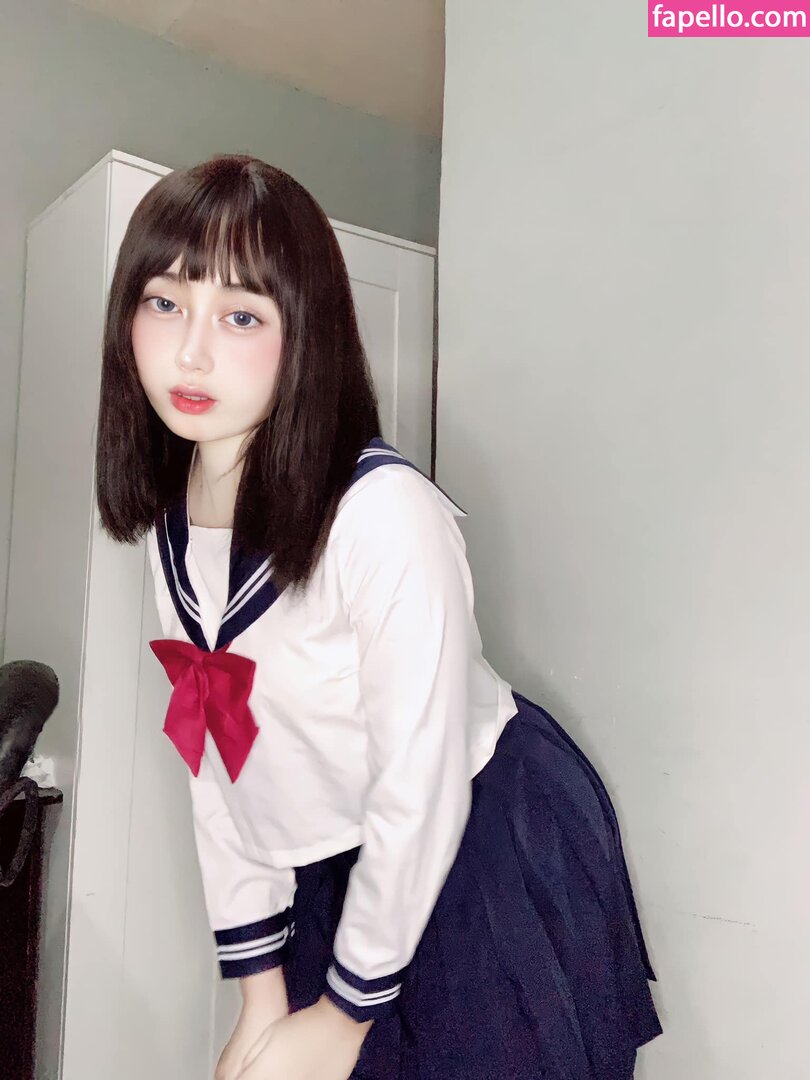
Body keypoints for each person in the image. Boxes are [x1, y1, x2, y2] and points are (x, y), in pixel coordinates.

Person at [94, 153, 662, 1080]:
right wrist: (261, 995)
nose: (191, 352)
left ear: (305, 333)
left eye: (241, 316)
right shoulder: (171, 528)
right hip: (339, 856)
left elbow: (421, 782)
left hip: (476, 833)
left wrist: (342, 1017)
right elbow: (218, 765)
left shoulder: (384, 514)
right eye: (165, 302)